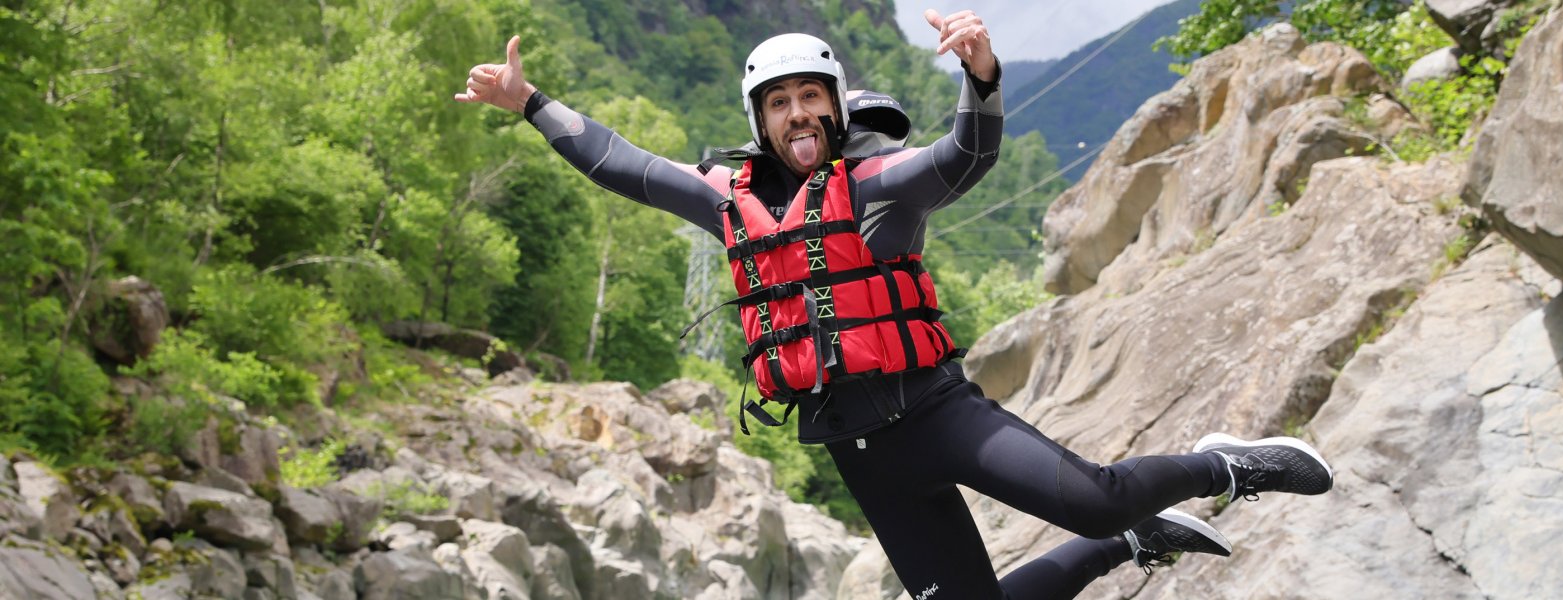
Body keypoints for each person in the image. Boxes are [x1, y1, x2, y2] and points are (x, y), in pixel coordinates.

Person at [455, 9, 1334, 599]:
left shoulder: (881, 183)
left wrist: (981, 79)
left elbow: (966, 156)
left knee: (1100, 497)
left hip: (938, 412)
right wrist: (528, 101)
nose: (798, 113)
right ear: (760, 119)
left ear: (835, 110)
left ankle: (1225, 466)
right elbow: (622, 164)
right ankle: (1132, 546)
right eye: (780, 102)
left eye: (811, 97)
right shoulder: (725, 197)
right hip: (856, 446)